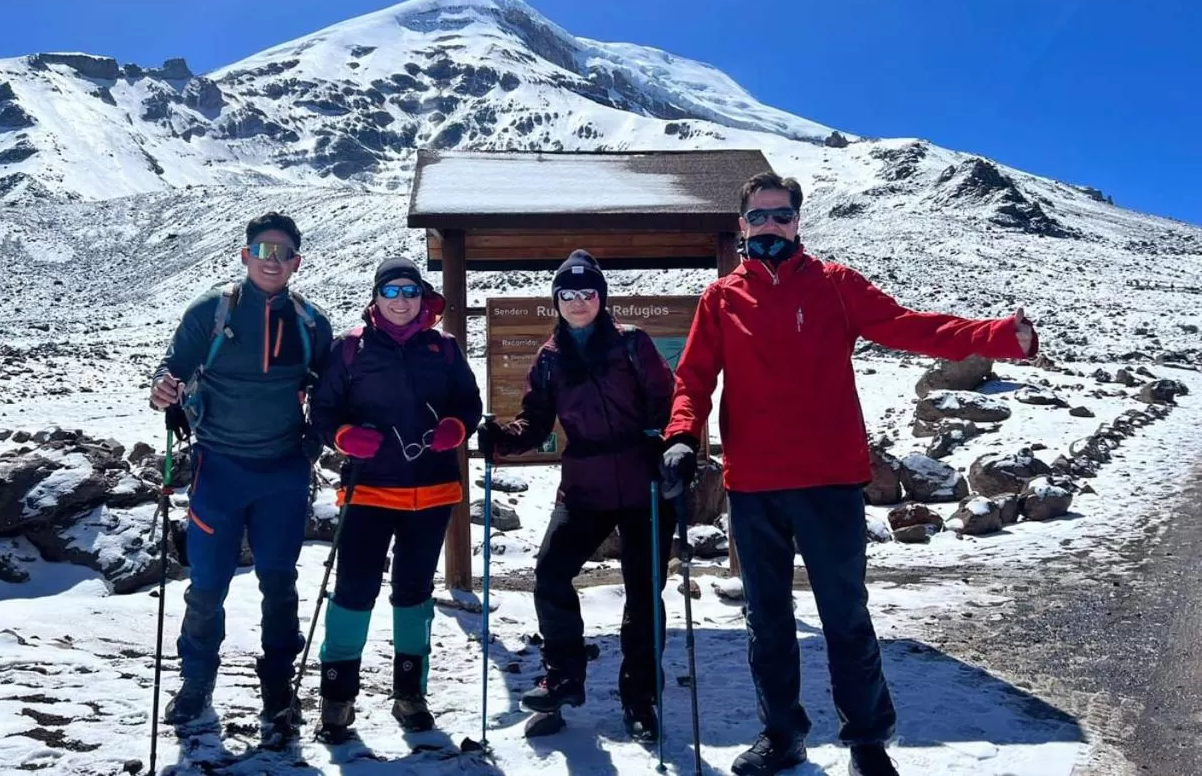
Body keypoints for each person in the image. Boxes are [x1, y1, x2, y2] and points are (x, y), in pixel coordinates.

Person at [659, 173, 1039, 776]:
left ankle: (866, 741)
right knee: (768, 621)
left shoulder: (834, 285)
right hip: (754, 486)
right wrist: (682, 436)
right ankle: (782, 736)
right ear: (742, 226)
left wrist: (997, 336)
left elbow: (908, 326)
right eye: (758, 217)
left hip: (829, 481)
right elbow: (694, 379)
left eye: (781, 216)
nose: (770, 227)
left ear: (798, 221)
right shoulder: (721, 298)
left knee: (844, 615)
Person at [478, 250, 677, 743]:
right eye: (568, 293)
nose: (579, 301)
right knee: (550, 572)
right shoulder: (549, 358)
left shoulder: (633, 344)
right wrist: (503, 437)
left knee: (644, 595)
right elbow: (538, 420)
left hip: (642, 483)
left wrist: (670, 444)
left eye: (588, 292)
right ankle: (564, 675)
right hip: (584, 485)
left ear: (601, 297)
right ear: (557, 301)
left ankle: (641, 699)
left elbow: (669, 401)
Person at [149, 211, 334, 725]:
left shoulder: (310, 322)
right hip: (218, 469)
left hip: (283, 473)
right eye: (263, 250)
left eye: (283, 253)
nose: (272, 261)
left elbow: (330, 393)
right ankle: (197, 682)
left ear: (296, 261)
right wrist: (163, 386)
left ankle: (278, 683)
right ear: (246, 255)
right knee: (207, 584)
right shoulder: (211, 312)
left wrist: (311, 447)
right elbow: (172, 368)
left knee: (279, 581)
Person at [308, 257, 483, 741]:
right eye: (391, 291)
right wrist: (343, 436)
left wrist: (457, 426)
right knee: (353, 591)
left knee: (414, 594)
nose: (401, 300)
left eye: (409, 290)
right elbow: (322, 410)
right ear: (376, 297)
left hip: (431, 490)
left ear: (421, 296)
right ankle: (338, 698)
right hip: (369, 489)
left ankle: (411, 694)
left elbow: (469, 403)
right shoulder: (350, 349)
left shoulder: (443, 348)